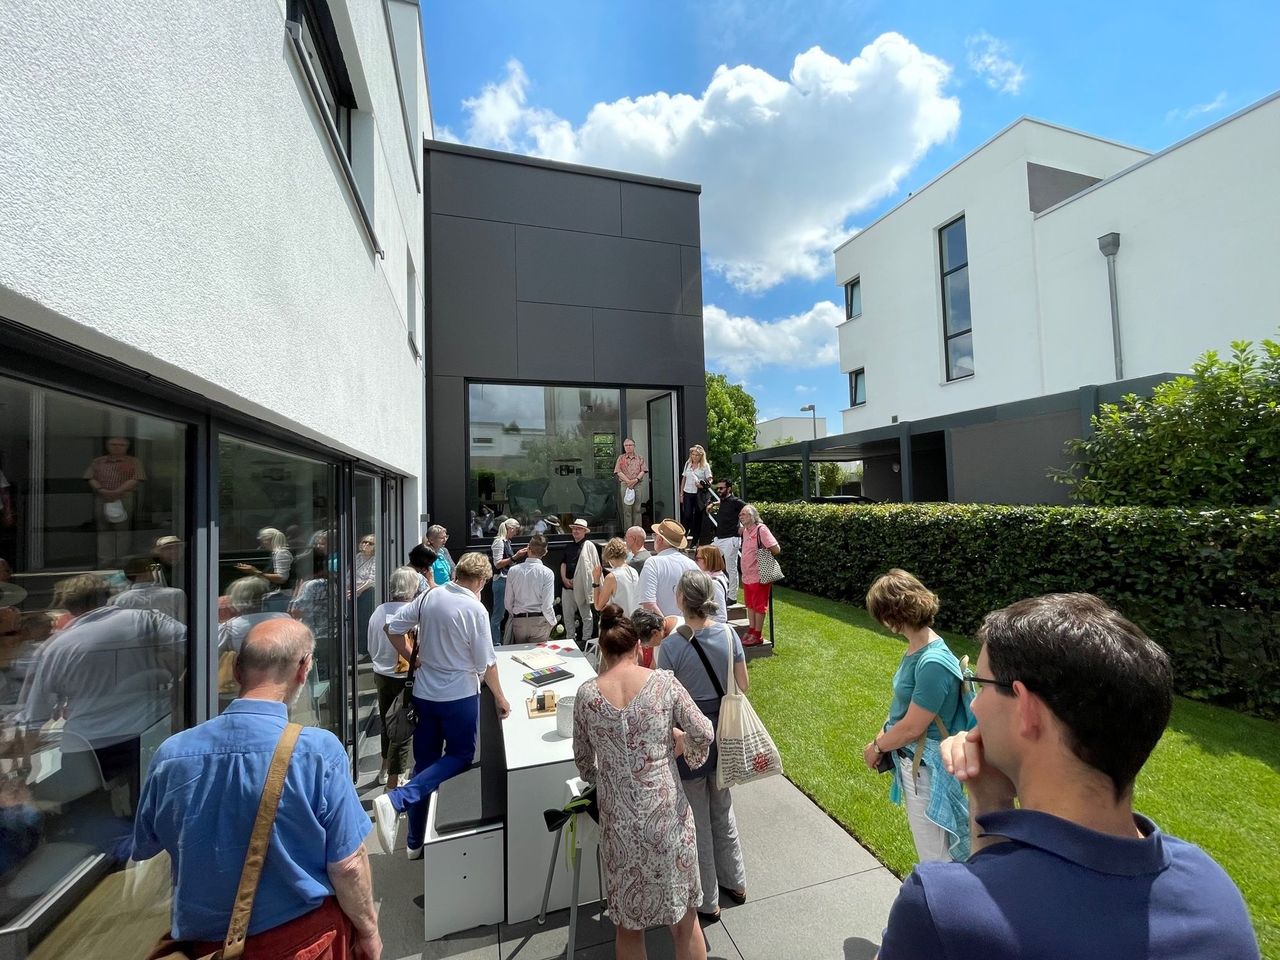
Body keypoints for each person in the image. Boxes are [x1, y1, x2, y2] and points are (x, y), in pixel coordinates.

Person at [877, 593, 1261, 960]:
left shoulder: (940, 908)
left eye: (979, 685)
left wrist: (988, 804)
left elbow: (989, 902)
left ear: (1027, 710)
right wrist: (989, 801)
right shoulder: (1213, 888)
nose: (973, 703)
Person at [131, 619, 381, 960]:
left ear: (236, 669)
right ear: (303, 669)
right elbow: (348, 865)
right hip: (304, 940)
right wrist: (368, 931)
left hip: (206, 947)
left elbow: (147, 846)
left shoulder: (171, 754)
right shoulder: (317, 751)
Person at [572, 605, 714, 960]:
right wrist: (679, 746)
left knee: (629, 925)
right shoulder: (663, 683)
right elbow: (704, 731)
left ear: (603, 650)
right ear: (638, 646)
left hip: (620, 822)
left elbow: (584, 764)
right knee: (684, 918)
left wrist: (612, 774)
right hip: (667, 815)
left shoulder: (587, 695)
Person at [375, 552, 512, 858]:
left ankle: (414, 842)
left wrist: (413, 658)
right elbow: (485, 662)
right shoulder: (474, 609)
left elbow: (392, 628)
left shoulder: (429, 597)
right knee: (461, 756)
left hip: (424, 693)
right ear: (481, 580)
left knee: (424, 765)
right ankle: (396, 800)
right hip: (459, 696)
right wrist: (501, 698)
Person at [19, 573, 185, 808]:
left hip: (86, 746)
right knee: (151, 809)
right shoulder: (146, 620)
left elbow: (35, 714)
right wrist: (179, 687)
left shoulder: (54, 648)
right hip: (146, 733)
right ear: (108, 596)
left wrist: (25, 762)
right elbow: (199, 646)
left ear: (67, 605)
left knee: (87, 817)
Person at [862, 570, 971, 863]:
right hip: (916, 763)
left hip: (926, 770)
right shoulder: (917, 648)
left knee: (937, 857)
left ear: (893, 613)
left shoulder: (932, 661)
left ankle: (944, 906)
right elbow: (902, 710)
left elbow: (912, 727)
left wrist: (876, 748)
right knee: (934, 849)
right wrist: (881, 737)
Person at [658, 570, 749, 922]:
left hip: (688, 735)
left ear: (681, 599)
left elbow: (664, 699)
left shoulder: (672, 645)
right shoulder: (729, 634)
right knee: (722, 808)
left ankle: (708, 898)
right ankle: (736, 881)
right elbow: (742, 684)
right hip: (724, 731)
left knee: (696, 817)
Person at [369, 567, 419, 789]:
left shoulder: (378, 610)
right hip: (404, 676)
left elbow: (371, 644)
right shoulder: (411, 613)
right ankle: (394, 781)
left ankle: (384, 767)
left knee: (386, 722)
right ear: (413, 587)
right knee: (403, 727)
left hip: (381, 673)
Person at [84, 435, 146, 567]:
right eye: (114, 444)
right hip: (102, 497)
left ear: (127, 447)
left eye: (121, 445)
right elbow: (90, 477)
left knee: (122, 530)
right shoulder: (98, 461)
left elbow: (137, 478)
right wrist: (101, 490)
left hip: (125, 497)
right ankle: (105, 560)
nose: (117, 447)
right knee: (103, 530)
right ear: (107, 446)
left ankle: (121, 560)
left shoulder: (133, 461)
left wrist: (118, 491)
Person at [736, 505, 777, 647]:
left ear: (753, 516)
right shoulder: (745, 531)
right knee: (750, 604)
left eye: (745, 514)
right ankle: (752, 630)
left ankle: (758, 635)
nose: (741, 516)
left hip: (760, 575)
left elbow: (776, 549)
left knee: (759, 606)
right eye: (740, 514)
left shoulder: (761, 529)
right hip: (747, 576)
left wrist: (763, 553)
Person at [640, 519, 698, 618]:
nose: (654, 539)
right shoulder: (692, 564)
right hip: (689, 627)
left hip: (663, 629)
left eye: (655, 536)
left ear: (660, 540)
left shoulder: (653, 563)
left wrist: (668, 627)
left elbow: (648, 604)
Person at [505, 534, 556, 643]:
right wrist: (552, 621)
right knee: (538, 657)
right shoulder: (547, 573)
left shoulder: (513, 571)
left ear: (528, 548)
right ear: (545, 552)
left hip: (519, 620)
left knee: (519, 657)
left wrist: (514, 615)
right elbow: (547, 605)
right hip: (539, 620)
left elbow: (508, 602)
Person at [110, 555, 187, 622]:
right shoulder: (176, 594)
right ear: (147, 572)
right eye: (154, 569)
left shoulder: (121, 600)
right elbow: (184, 625)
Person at [560, 518, 599, 648]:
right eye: (574, 528)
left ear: (584, 531)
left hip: (581, 586)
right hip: (567, 586)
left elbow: (594, 567)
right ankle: (570, 639)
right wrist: (565, 579)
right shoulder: (568, 546)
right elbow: (563, 563)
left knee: (586, 615)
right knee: (567, 615)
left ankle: (585, 640)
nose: (576, 531)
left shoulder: (589, 546)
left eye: (579, 529)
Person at [236, 527, 295, 612]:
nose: (261, 545)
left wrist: (255, 572)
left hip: (282, 596)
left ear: (269, 540)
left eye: (262, 541)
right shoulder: (275, 553)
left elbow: (282, 578)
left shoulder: (281, 553)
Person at [489, 518, 528, 645]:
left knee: (508, 612)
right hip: (500, 580)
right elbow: (498, 564)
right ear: (510, 529)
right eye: (515, 531)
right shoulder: (499, 542)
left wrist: (515, 557)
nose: (515, 534)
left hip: (507, 580)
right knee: (498, 614)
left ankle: (505, 639)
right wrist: (515, 557)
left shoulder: (507, 542)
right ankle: (495, 642)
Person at [709, 478, 745, 601]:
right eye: (718, 488)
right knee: (708, 560)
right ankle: (715, 590)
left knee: (731, 568)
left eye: (721, 488)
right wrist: (713, 504)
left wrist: (744, 527)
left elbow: (750, 510)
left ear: (729, 489)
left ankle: (732, 597)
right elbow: (723, 502)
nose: (718, 490)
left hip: (731, 539)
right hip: (719, 538)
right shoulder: (723, 501)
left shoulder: (736, 502)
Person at [592, 537, 639, 617]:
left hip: (619, 623)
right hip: (634, 620)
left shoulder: (612, 577)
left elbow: (598, 606)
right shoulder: (634, 571)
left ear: (609, 556)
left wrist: (596, 581)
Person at [679, 445, 713, 547]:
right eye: (693, 454)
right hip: (688, 492)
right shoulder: (688, 464)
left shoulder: (705, 465)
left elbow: (710, 479)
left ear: (701, 456)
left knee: (697, 517)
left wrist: (702, 484)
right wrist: (681, 494)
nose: (694, 457)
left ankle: (694, 542)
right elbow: (684, 478)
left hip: (698, 494)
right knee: (687, 515)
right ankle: (683, 539)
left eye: (697, 455)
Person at [613, 438, 648, 529]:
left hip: (637, 485)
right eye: (626, 445)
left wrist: (635, 480)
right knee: (627, 510)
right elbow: (618, 471)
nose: (628, 447)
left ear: (634, 446)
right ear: (624, 447)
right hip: (625, 485)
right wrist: (628, 481)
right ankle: (628, 532)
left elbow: (643, 470)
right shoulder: (621, 458)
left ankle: (637, 532)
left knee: (637, 509)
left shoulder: (640, 457)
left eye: (630, 445)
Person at [355, 533, 378, 658]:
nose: (366, 544)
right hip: (353, 592)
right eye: (364, 542)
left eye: (370, 543)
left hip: (368, 593)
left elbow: (372, 580)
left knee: (365, 621)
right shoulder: (358, 557)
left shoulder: (375, 559)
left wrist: (358, 590)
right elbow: (349, 575)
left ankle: (364, 651)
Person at [694, 546, 730, 623]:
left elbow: (721, 616)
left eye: (697, 559)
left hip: (711, 630)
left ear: (708, 559)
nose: (695, 562)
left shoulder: (714, 583)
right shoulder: (716, 576)